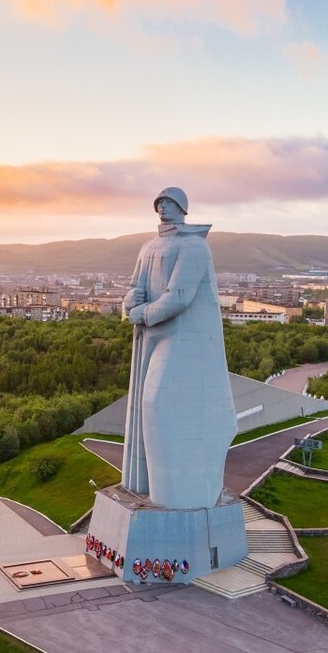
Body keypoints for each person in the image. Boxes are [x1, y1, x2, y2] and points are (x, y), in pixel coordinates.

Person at [121, 187, 236, 509]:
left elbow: (180, 294)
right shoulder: (150, 245)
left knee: (159, 402)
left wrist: (142, 313)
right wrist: (131, 303)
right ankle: (151, 486)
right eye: (158, 204)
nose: (162, 209)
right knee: (145, 402)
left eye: (169, 203)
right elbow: (135, 286)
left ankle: (178, 494)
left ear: (183, 208)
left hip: (184, 336)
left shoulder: (195, 246)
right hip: (152, 332)